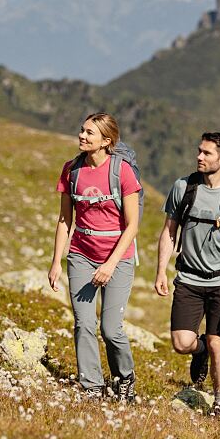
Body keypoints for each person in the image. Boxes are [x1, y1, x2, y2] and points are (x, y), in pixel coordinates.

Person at [155, 132, 220, 416]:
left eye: (207, 153)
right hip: (188, 279)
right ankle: (198, 349)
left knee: (219, 343)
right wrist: (160, 272)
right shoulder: (183, 187)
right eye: (199, 151)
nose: (199, 157)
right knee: (182, 343)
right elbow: (169, 232)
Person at [48, 113, 142, 401]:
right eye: (82, 130)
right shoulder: (71, 170)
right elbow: (65, 220)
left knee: (110, 329)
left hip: (118, 257)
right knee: (83, 324)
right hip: (81, 255)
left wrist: (110, 264)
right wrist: (56, 262)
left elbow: (133, 225)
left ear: (106, 141)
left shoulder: (121, 171)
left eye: (90, 133)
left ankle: (124, 379)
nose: (82, 136)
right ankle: (92, 387)